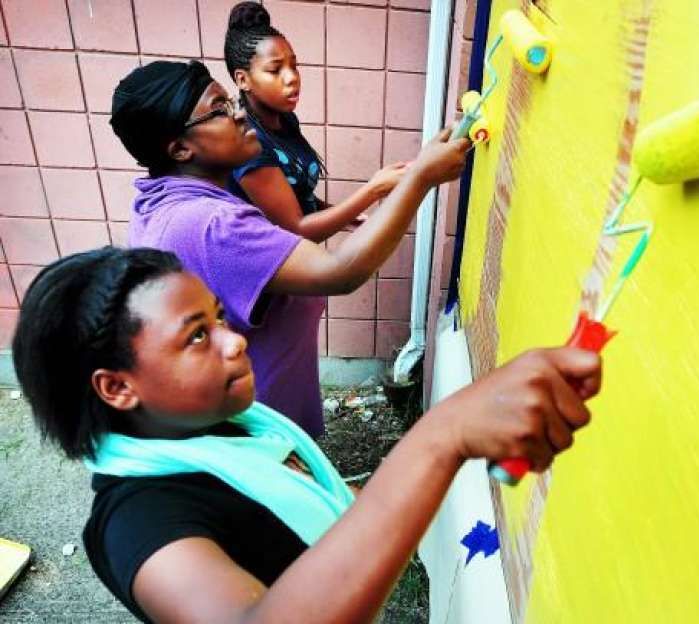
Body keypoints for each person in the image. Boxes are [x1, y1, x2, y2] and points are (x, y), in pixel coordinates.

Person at [12, 246, 603, 624]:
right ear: (117, 388)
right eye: (196, 336)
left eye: (219, 316)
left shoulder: (233, 429)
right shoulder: (140, 524)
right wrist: (439, 437)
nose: (233, 339)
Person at [109, 60, 467, 438]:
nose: (241, 113)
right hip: (258, 431)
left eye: (232, 101)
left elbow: (287, 224)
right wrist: (420, 179)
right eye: (220, 109)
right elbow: (340, 272)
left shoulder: (160, 202)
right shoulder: (213, 226)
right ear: (180, 149)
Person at [224, 1, 405, 240]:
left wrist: (340, 214)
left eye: (294, 66)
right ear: (243, 79)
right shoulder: (248, 145)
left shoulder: (286, 120)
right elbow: (296, 231)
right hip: (265, 271)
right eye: (275, 69)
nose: (292, 78)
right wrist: (372, 191)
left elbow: (297, 193)